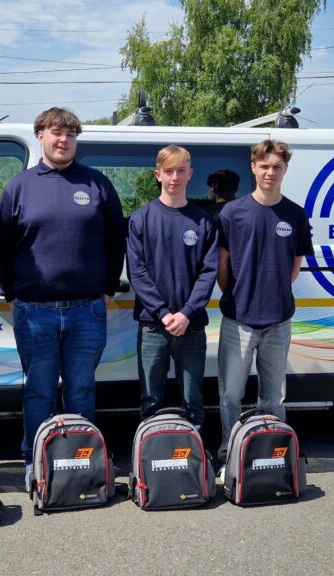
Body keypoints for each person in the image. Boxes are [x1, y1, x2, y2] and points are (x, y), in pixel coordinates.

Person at [0, 107, 126, 490]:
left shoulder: (97, 184)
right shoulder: (20, 186)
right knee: (38, 390)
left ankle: (81, 462)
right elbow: (1, 242)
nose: (63, 139)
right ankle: (35, 462)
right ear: (40, 136)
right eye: (56, 132)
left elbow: (116, 239)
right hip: (35, 312)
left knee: (82, 389)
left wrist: (106, 288)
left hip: (88, 310)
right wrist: (10, 292)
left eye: (70, 133)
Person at [216, 139, 313, 465]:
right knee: (231, 394)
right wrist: (241, 294)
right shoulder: (232, 212)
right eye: (265, 166)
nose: (270, 172)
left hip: (279, 320)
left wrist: (270, 292)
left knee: (273, 397)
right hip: (238, 319)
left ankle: (273, 452)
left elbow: (294, 267)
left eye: (277, 167)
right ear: (253, 167)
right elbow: (223, 264)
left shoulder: (295, 214)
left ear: (285, 170)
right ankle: (230, 451)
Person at [127, 146, 217, 429]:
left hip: (191, 327)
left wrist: (187, 313)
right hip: (153, 325)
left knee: (193, 398)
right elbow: (137, 272)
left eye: (181, 171)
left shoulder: (204, 222)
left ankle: (197, 458)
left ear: (190, 174)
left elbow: (209, 273)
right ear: (158, 175)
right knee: (150, 399)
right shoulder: (140, 219)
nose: (174, 178)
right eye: (168, 171)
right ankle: (148, 458)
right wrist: (164, 313)